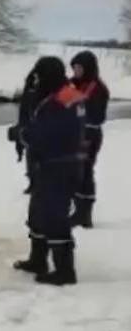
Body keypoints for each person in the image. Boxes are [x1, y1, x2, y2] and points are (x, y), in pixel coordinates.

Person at [11, 57, 85, 286]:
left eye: (39, 76)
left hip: (59, 164)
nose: (37, 81)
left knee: (54, 216)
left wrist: (20, 134)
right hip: (56, 163)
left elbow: (47, 134)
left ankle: (65, 270)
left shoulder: (60, 100)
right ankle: (38, 259)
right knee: (38, 213)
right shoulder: (67, 93)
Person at [69, 50, 109, 228]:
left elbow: (97, 116)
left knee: (85, 171)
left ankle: (84, 214)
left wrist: (78, 109)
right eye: (74, 67)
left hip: (89, 135)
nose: (76, 71)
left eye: (79, 68)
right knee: (75, 171)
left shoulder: (98, 88)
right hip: (74, 133)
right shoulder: (72, 85)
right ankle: (78, 209)